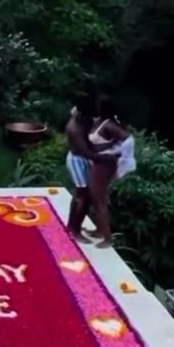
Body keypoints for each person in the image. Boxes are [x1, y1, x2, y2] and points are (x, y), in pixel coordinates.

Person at [65, 94, 120, 243]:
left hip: (87, 159)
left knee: (89, 196)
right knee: (82, 196)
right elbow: (86, 152)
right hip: (78, 160)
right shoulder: (74, 128)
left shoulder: (85, 117)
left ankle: (77, 226)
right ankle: (73, 229)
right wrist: (108, 157)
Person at [87, 95, 135, 248]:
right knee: (96, 197)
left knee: (99, 198)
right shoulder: (100, 122)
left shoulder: (109, 125)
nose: (96, 106)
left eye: (99, 104)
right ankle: (99, 230)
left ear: (104, 108)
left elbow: (129, 140)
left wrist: (118, 154)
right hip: (99, 162)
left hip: (104, 165)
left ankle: (108, 238)